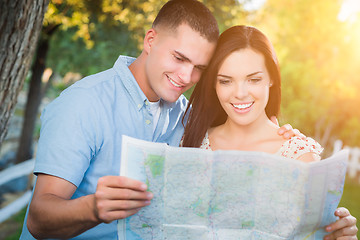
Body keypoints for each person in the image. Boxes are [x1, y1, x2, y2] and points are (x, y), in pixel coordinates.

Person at [19, 0, 356, 239]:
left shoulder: (186, 121)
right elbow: (39, 218)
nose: (185, 76)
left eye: (199, 68)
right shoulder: (84, 103)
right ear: (150, 40)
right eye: (179, 58)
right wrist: (94, 207)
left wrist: (287, 141)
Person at [182, 25, 358, 239]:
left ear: (271, 78)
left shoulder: (299, 156)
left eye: (254, 79)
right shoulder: (192, 142)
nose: (240, 93)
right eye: (225, 81)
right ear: (214, 85)